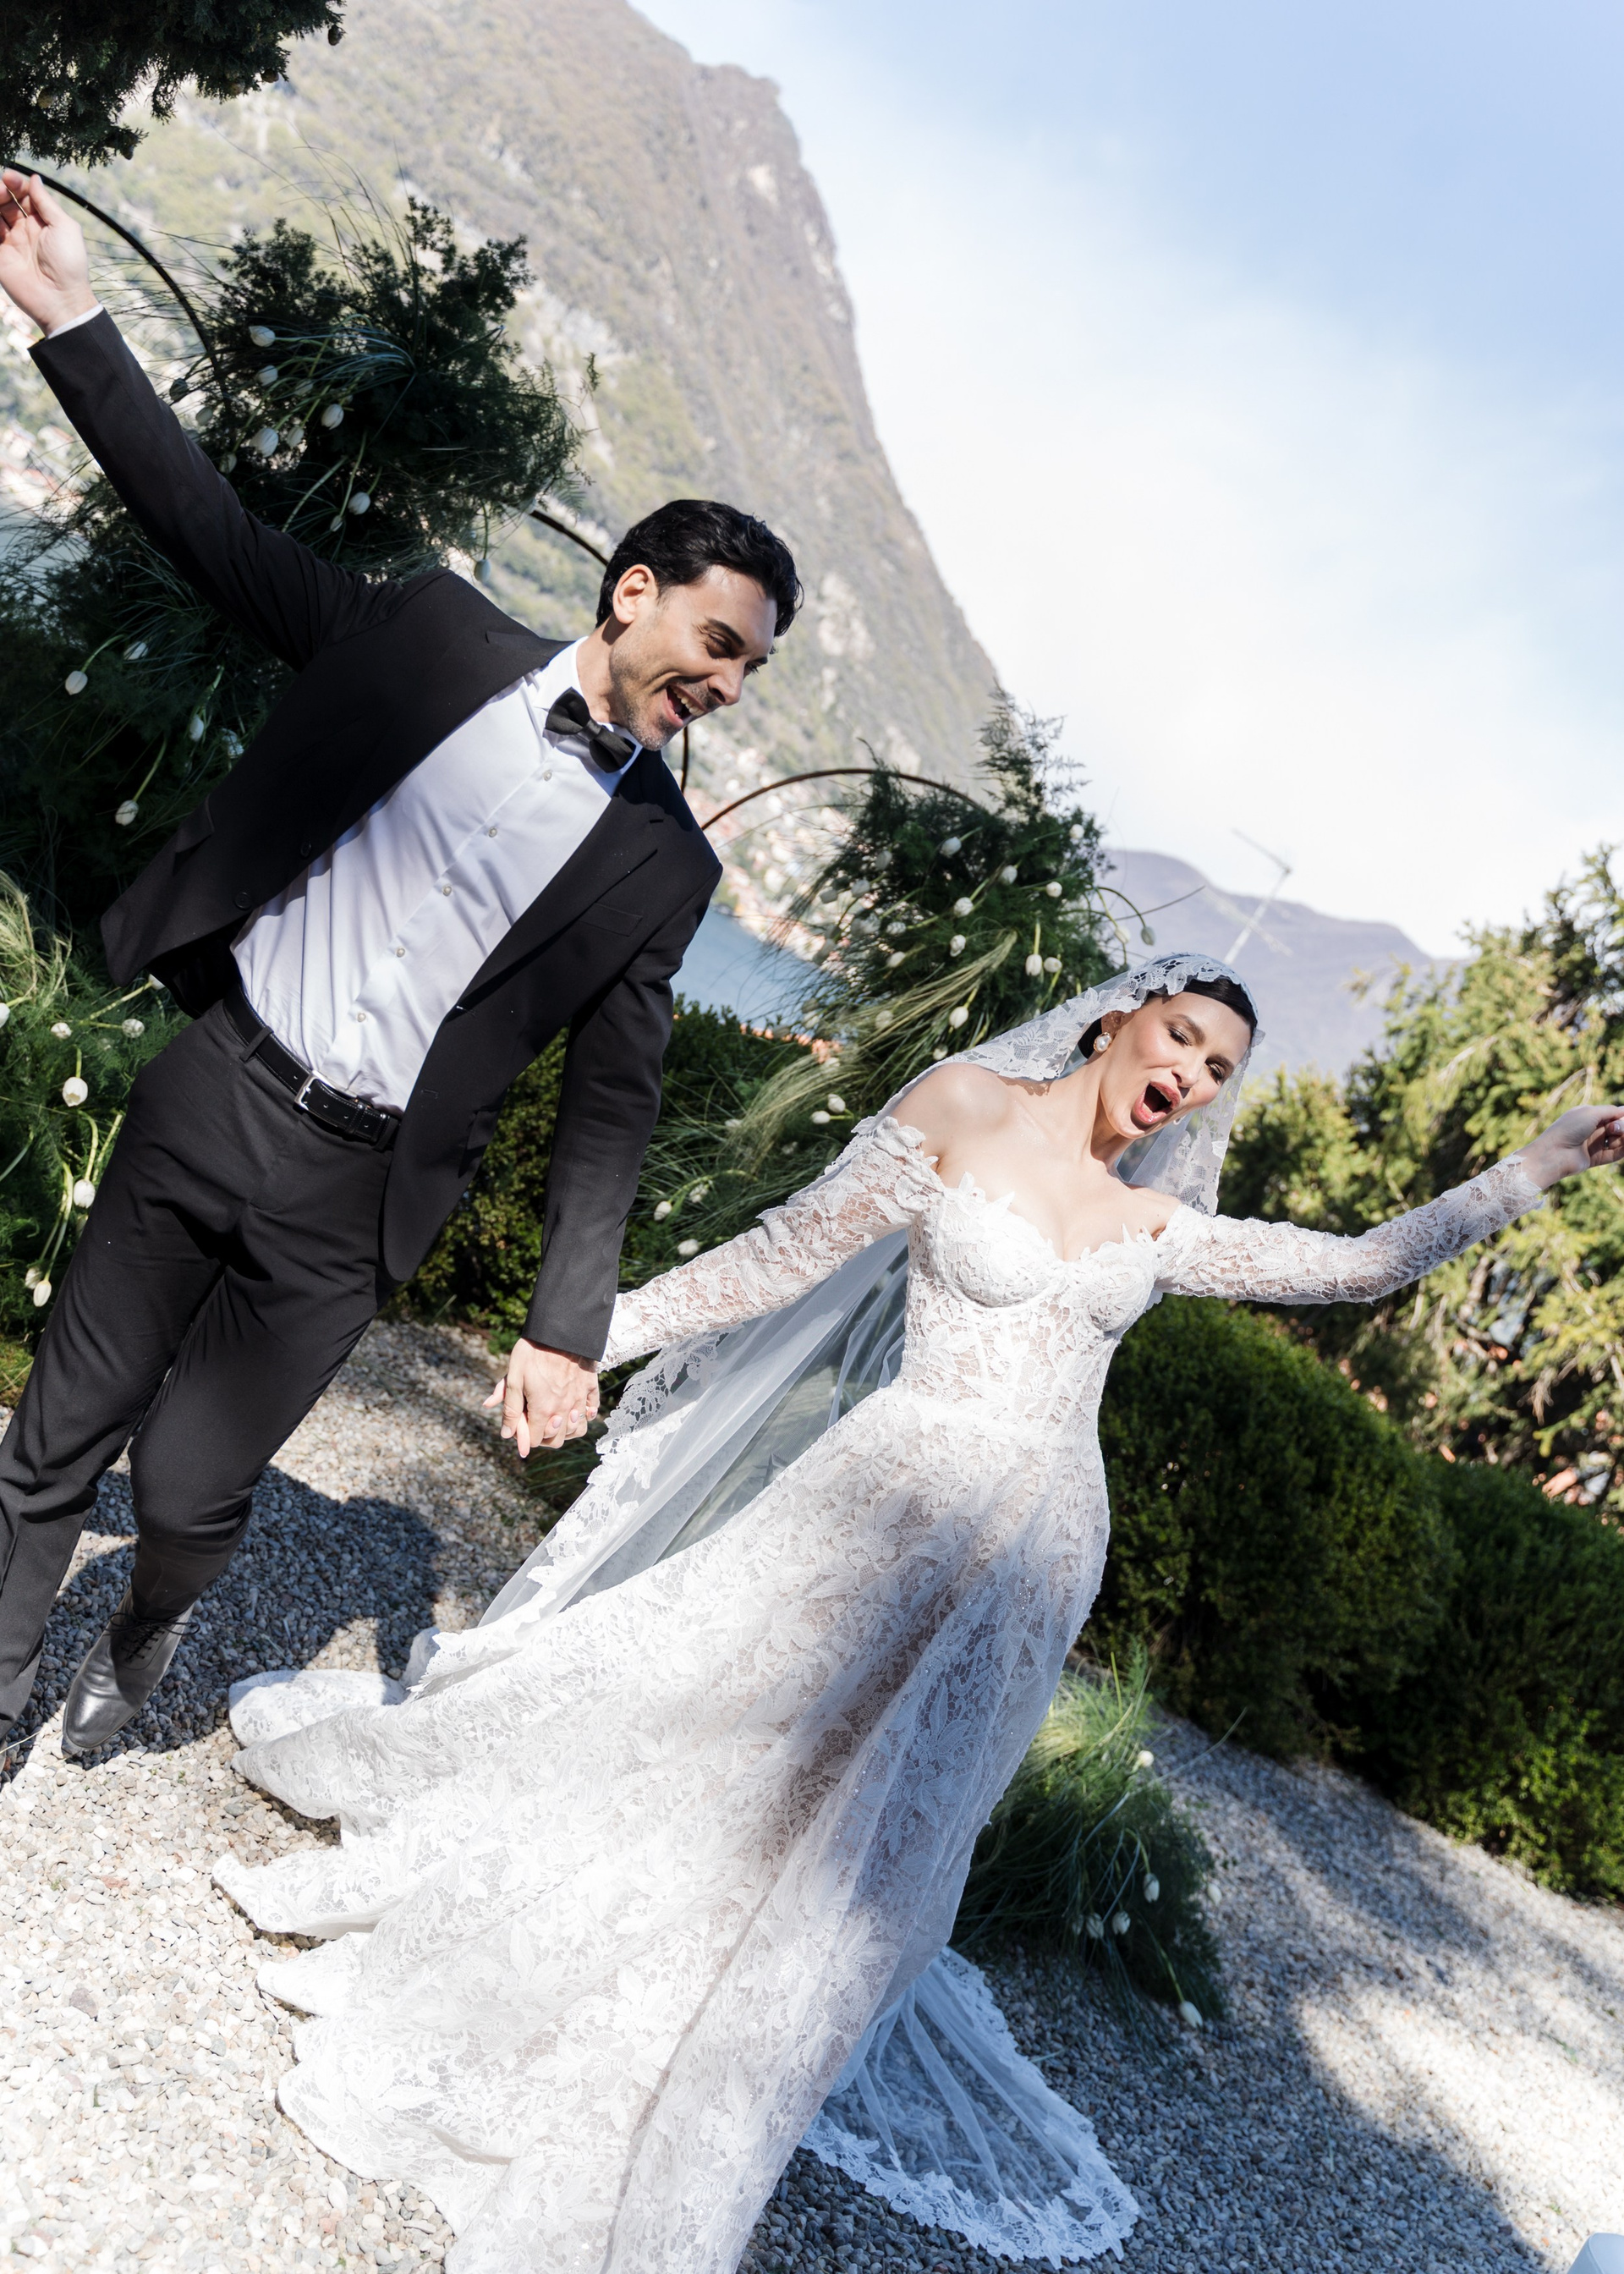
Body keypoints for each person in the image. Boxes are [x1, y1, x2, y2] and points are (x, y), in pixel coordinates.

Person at [208, 954, 1624, 2273]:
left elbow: (1358, 1266)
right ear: (1117, 1019)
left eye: (1217, 1071)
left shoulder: (1158, 1223)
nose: (1190, 1077)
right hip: (882, 1507)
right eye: (1181, 1039)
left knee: (876, 1845)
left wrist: (1538, 1168)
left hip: (1034, 1562)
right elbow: (779, 1256)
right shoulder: (962, 1105)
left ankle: (731, 2089)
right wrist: (589, 1338)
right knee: (715, 1728)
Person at [0, 171, 801, 1758]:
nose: (728, 685)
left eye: (752, 672)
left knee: (188, 1488)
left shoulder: (667, 865)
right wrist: (65, 312)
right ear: (635, 593)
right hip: (218, 1086)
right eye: (720, 645)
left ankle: (153, 1619)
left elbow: (614, 1106)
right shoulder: (430, 637)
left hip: (352, 1201)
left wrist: (567, 1323)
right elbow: (215, 537)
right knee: (55, 1432)